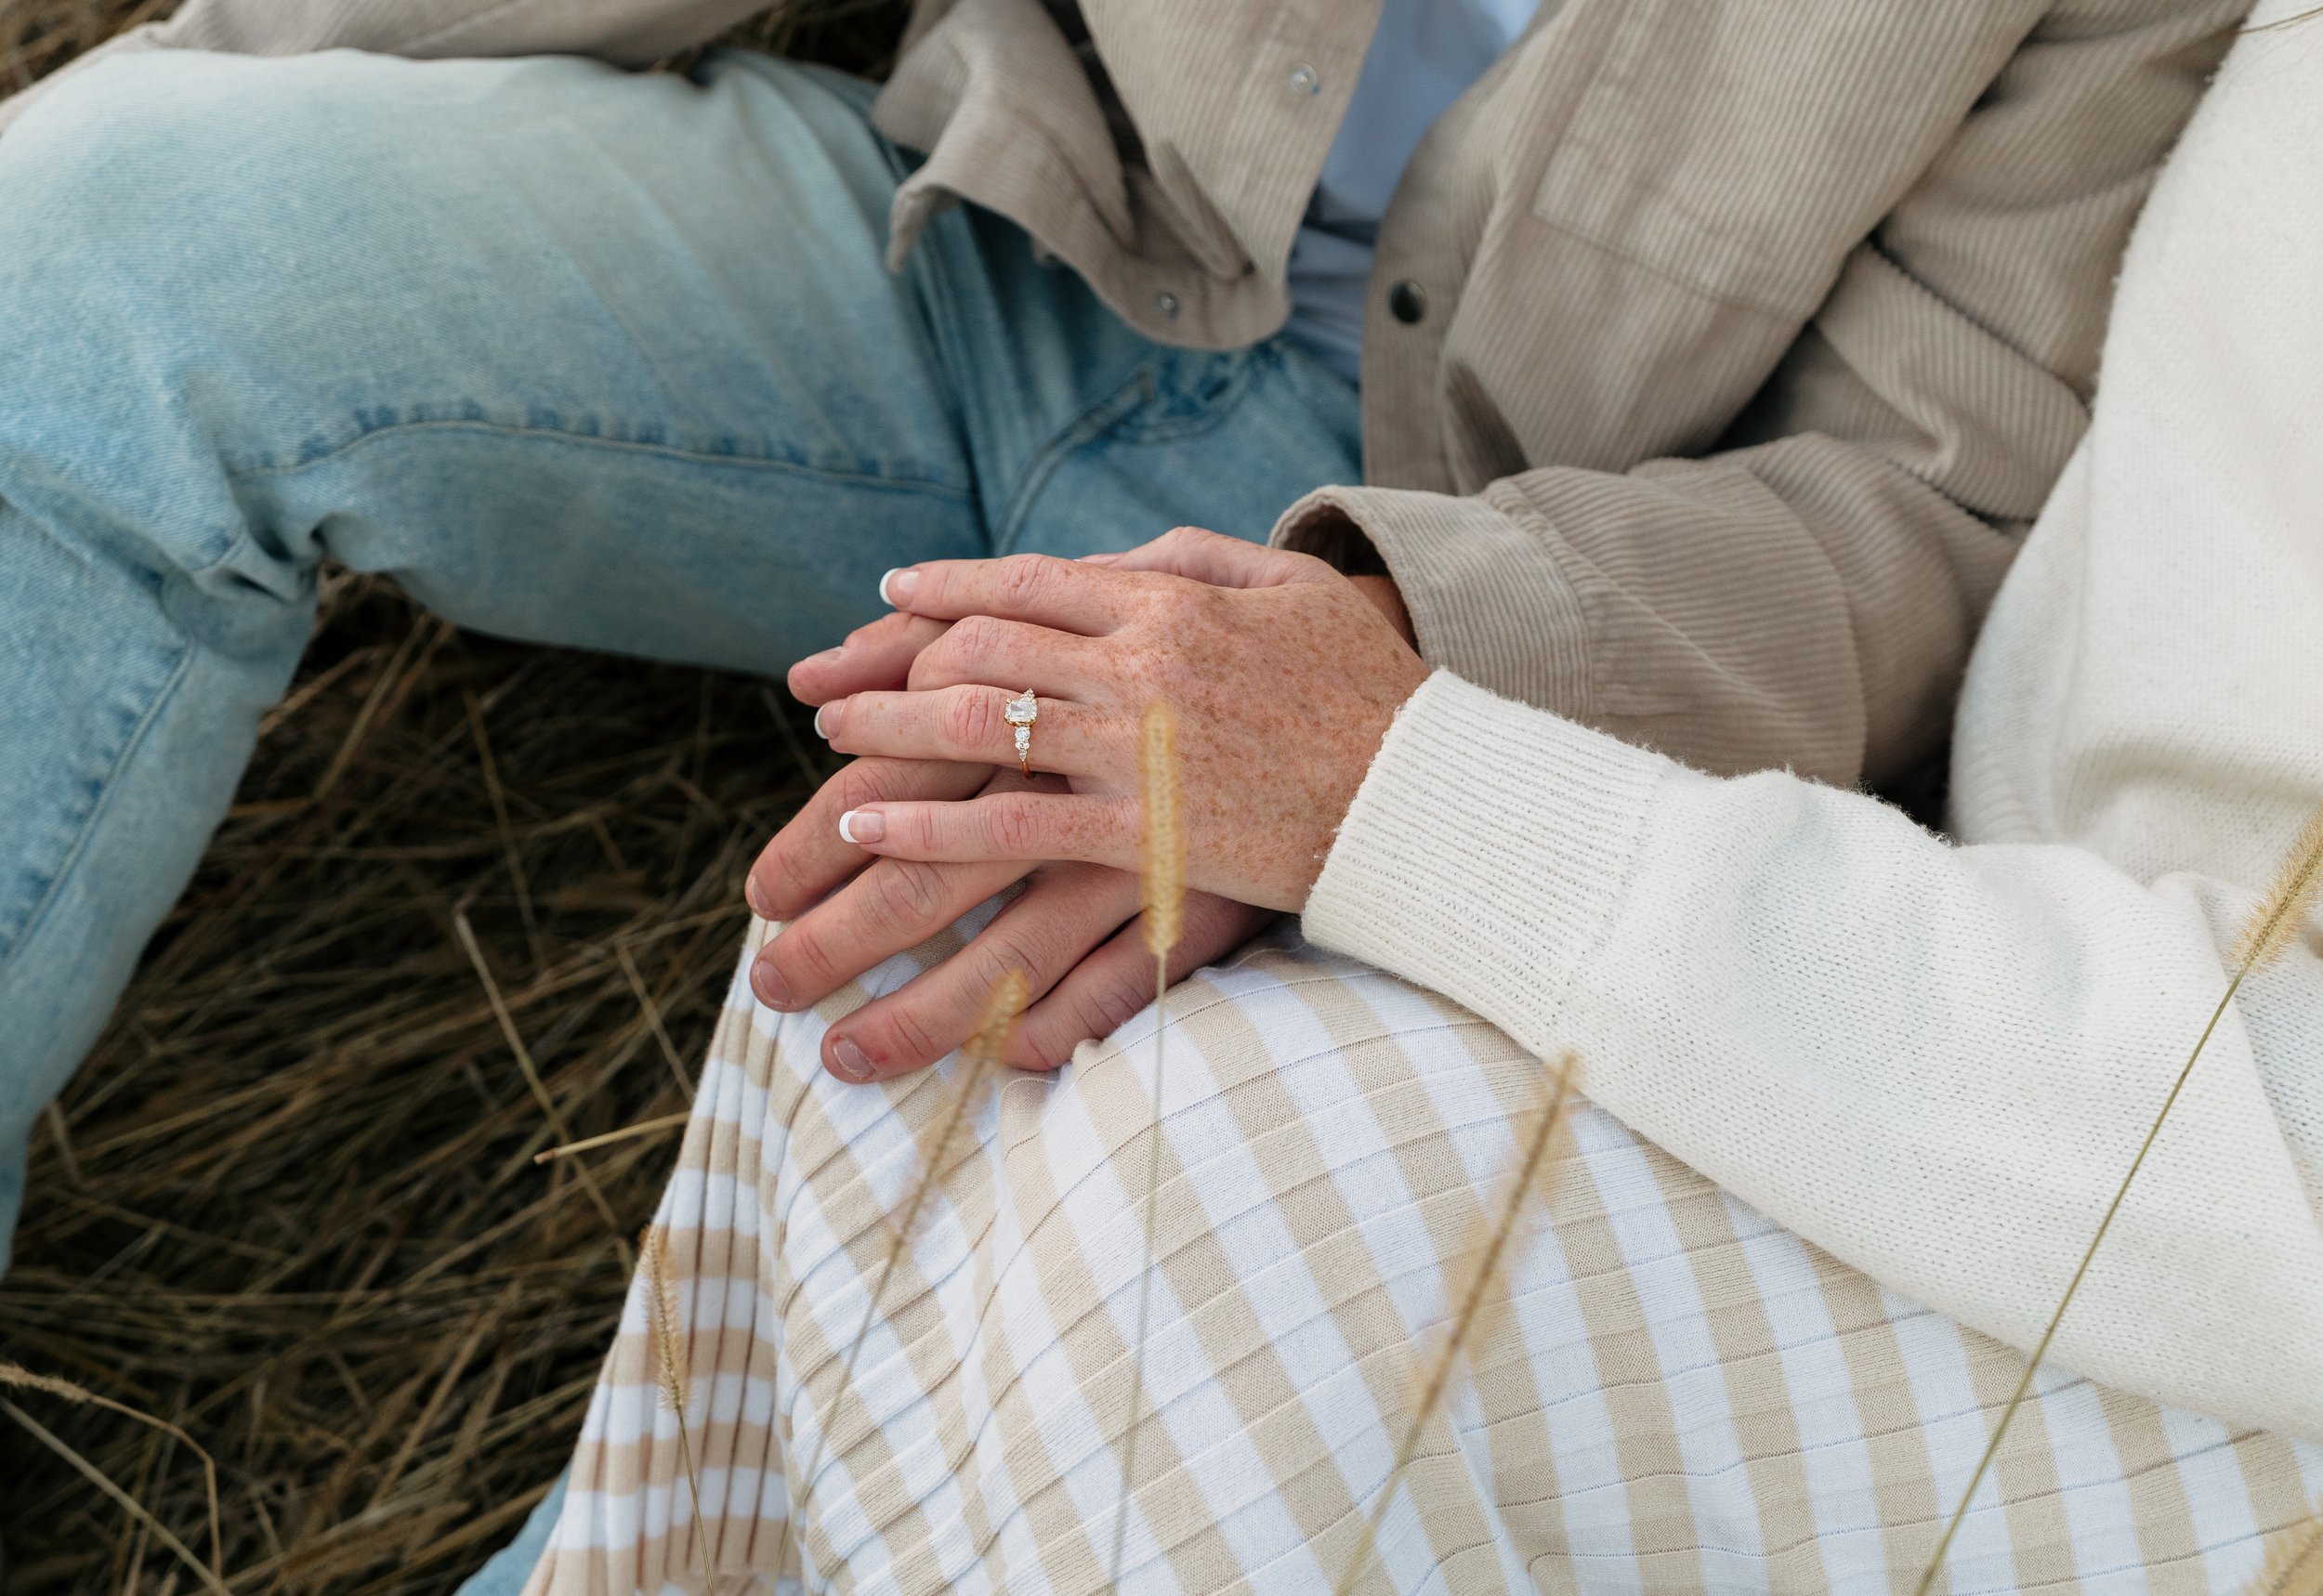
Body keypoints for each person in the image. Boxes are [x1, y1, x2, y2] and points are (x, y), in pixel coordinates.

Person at [0, 0, 2239, 1289]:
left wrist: (1380, 683)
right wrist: (262, 67)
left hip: (1471, 556)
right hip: (975, 238)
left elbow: (1921, 494)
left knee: (1022, 1200)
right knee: (99, 242)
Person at [526, 4, 2323, 1590]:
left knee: (1219, 1179)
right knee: (945, 939)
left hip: (2182, 1212)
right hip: (1990, 973)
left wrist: (1400, 768)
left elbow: (1923, 488)